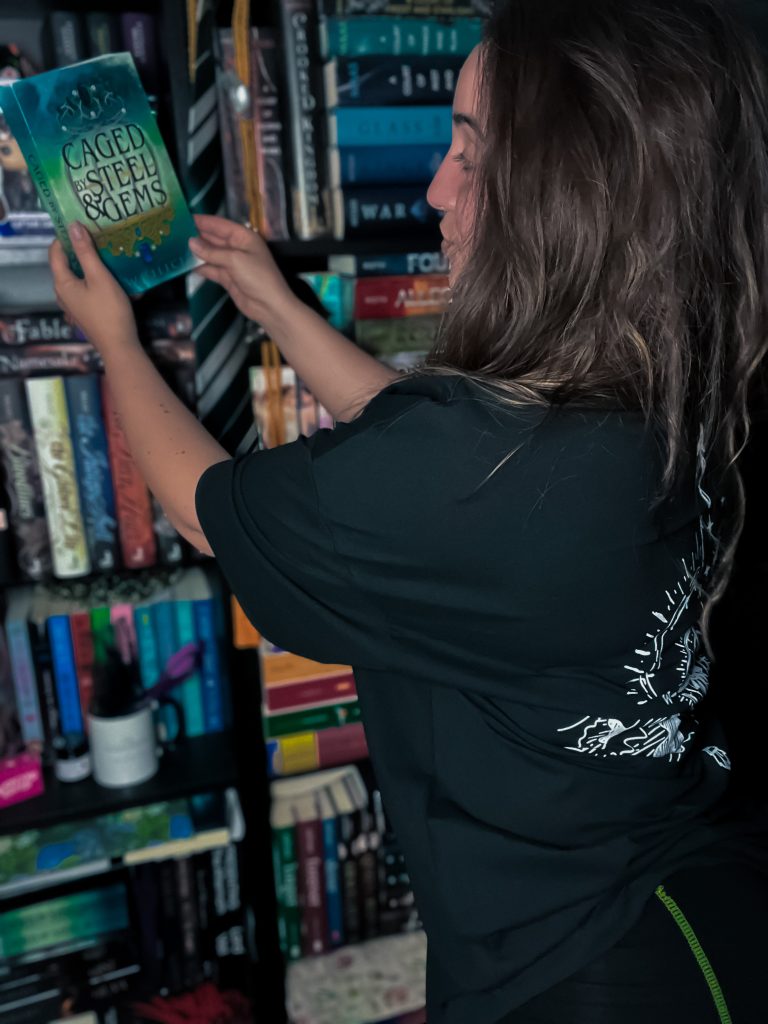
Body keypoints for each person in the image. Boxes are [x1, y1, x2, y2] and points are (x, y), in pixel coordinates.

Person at [49, 1, 768, 1020]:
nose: (436, 187)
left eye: (471, 153)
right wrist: (279, 308)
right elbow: (425, 450)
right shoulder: (647, 380)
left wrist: (115, 344)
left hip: (586, 958)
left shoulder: (483, 471)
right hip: (684, 876)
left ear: (567, 198)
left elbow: (213, 513)